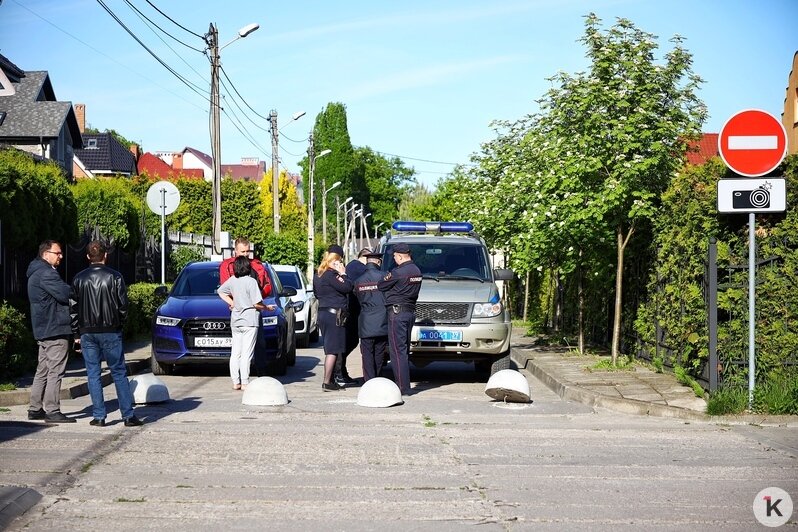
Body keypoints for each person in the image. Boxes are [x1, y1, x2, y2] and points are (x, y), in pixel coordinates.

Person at [70, 240, 142, 427]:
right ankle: (127, 415)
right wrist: (120, 324)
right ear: (106, 255)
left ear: (87, 257)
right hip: (111, 330)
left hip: (87, 332)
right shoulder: (115, 277)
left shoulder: (79, 279)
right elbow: (123, 306)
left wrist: (77, 332)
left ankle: (99, 416)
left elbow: (73, 308)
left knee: (93, 373)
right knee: (118, 372)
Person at [26, 240, 76, 423]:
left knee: (43, 369)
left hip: (43, 328)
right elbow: (65, 294)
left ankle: (35, 408)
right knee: (55, 371)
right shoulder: (46, 274)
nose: (61, 256)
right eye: (58, 253)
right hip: (55, 328)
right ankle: (53, 410)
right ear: (46, 254)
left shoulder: (35, 272)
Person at [217, 256, 273, 390]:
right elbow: (256, 304)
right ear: (248, 267)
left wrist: (232, 303)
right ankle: (245, 382)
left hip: (236, 320)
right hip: (250, 321)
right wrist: (267, 308)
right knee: (247, 353)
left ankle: (235, 382)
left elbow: (220, 291)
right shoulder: (251, 282)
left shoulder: (232, 280)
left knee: (235, 352)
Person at [377, 243, 422, 396]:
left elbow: (381, 285)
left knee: (397, 351)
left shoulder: (398, 272)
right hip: (409, 313)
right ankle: (404, 385)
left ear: (401, 256)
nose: (394, 258)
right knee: (404, 351)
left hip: (397, 313)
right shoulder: (416, 270)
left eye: (395, 256)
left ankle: (403, 387)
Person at [313, 244, 353, 391]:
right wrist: (343, 273)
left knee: (330, 347)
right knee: (333, 349)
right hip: (334, 314)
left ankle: (329, 380)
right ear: (336, 260)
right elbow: (348, 287)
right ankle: (327, 382)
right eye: (340, 261)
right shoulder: (332, 275)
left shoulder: (318, 274)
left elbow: (317, 294)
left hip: (323, 312)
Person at [337, 247, 371, 385]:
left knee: (348, 342)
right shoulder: (360, 269)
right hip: (352, 312)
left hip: (349, 311)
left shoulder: (351, 266)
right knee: (349, 342)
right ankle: (339, 372)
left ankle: (341, 372)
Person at [353, 251, 389, 382]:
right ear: (378, 262)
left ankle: (368, 380)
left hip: (365, 322)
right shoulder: (385, 277)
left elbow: (356, 299)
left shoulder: (358, 281)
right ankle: (377, 379)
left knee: (367, 353)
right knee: (379, 352)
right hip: (382, 321)